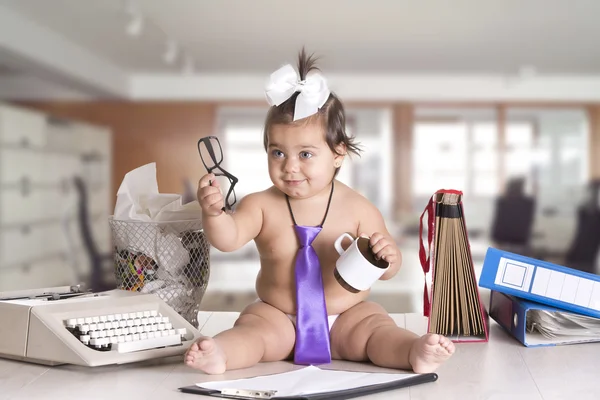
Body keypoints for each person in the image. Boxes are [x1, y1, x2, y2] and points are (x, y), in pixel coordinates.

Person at [185, 49, 455, 374]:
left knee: (377, 330)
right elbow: (228, 240)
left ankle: (413, 351)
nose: (290, 167)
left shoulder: (358, 208)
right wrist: (214, 215)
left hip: (347, 316)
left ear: (338, 153)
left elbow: (385, 269)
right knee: (252, 332)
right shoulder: (259, 204)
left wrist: (390, 257)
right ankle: (222, 354)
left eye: (306, 154)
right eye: (278, 152)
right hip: (278, 316)